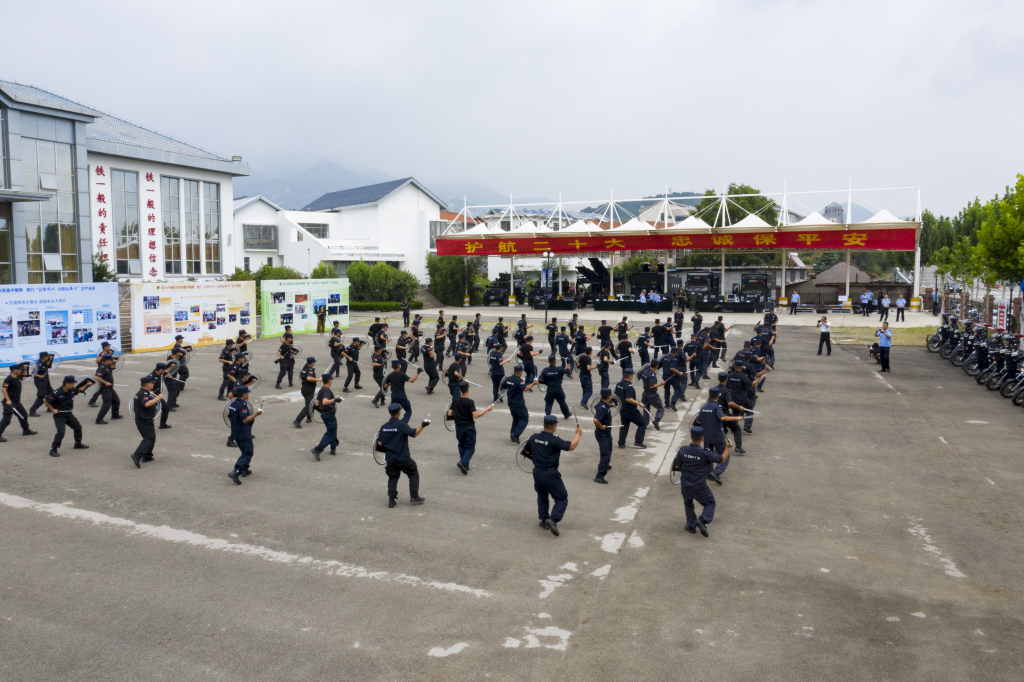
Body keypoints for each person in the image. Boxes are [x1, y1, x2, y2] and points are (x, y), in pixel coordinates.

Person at [522, 415, 583, 536]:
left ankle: (544, 520)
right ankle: (553, 519)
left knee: (542, 496)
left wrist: (538, 460)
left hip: (537, 472)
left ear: (543, 425)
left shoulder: (534, 437)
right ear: (554, 427)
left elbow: (525, 452)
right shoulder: (554, 439)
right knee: (561, 498)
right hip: (551, 473)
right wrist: (578, 434)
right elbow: (571, 446)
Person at [671, 426, 731, 537]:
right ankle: (702, 520)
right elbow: (722, 459)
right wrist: (727, 447)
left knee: (688, 504)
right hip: (699, 486)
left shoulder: (682, 450)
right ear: (702, 438)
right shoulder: (705, 454)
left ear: (690, 436)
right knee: (710, 503)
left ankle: (691, 526)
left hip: (685, 485)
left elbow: (677, 465)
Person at [377, 403, 429, 507]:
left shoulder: (384, 427)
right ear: (399, 413)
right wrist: (423, 425)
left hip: (390, 459)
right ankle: (414, 497)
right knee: (413, 472)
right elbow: (414, 433)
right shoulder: (402, 425)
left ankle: (391, 500)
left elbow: (379, 443)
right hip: (403, 458)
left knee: (393, 477)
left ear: (389, 413)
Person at [696, 387, 744, 484]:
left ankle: (709, 472)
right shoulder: (717, 407)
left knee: (708, 454)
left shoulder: (703, 407)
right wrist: (736, 418)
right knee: (725, 455)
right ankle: (716, 472)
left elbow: (697, 420)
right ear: (718, 396)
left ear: (709, 396)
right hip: (717, 436)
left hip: (706, 436)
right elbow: (722, 417)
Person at [448, 381, 493, 475]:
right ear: (468, 389)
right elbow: (476, 415)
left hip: (459, 428)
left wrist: (457, 416)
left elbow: (449, 413)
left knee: (461, 445)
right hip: (469, 428)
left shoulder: (455, 400)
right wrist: (487, 410)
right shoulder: (470, 402)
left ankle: (465, 465)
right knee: (470, 448)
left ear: (460, 390)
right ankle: (463, 462)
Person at [43, 375, 90, 458]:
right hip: (59, 415)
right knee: (61, 432)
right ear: (67, 384)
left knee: (78, 427)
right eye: (72, 384)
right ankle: (53, 449)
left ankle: (78, 444)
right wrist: (53, 410)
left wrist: (87, 385)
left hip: (68, 414)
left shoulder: (71, 390)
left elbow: (78, 390)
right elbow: (45, 400)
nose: (73, 385)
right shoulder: (57, 392)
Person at [227, 384, 263, 484]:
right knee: (248, 452)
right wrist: (256, 414)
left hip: (235, 432)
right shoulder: (242, 405)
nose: (247, 395)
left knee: (245, 450)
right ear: (243, 394)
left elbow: (230, 416)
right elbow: (245, 420)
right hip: (243, 432)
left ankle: (245, 469)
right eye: (247, 393)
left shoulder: (233, 404)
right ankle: (237, 470)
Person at [130, 376, 162, 468]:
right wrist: (158, 398)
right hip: (144, 420)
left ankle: (147, 456)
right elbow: (147, 404)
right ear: (148, 384)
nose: (153, 384)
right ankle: (137, 455)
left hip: (142, 419)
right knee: (149, 439)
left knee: (150, 437)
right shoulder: (143, 394)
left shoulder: (142, 392)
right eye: (152, 383)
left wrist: (149, 394)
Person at [615, 368, 647, 449]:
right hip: (630, 409)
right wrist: (639, 403)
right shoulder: (629, 387)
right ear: (631, 376)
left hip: (622, 408)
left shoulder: (619, 384)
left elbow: (615, 396)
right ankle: (638, 441)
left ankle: (621, 443)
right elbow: (628, 399)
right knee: (642, 423)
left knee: (624, 425)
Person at [311, 374, 340, 460]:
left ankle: (333, 448)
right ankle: (317, 449)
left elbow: (316, 403)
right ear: (330, 380)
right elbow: (324, 401)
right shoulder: (327, 391)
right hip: (329, 414)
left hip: (324, 414)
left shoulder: (321, 390)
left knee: (333, 430)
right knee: (331, 433)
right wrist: (335, 400)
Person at [505, 364, 537, 443]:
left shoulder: (508, 379)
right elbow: (525, 388)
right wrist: (533, 384)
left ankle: (513, 436)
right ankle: (515, 434)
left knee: (516, 419)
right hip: (518, 403)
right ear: (520, 372)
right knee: (524, 419)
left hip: (510, 402)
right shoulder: (519, 381)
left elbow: (502, 387)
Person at [592, 388, 615, 483]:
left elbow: (599, 407)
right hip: (602, 433)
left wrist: (609, 406)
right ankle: (599, 476)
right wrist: (601, 426)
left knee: (609, 448)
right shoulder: (602, 407)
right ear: (609, 397)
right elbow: (595, 420)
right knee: (605, 453)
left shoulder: (603, 405)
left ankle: (606, 465)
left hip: (607, 433)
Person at [539, 354, 572, 419]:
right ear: (555, 361)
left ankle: (547, 416)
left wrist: (547, 382)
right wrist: (568, 362)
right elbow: (568, 371)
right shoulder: (559, 369)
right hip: (558, 389)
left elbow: (541, 379)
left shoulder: (545, 370)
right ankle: (566, 414)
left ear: (548, 362)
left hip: (550, 389)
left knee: (549, 404)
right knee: (562, 402)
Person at [293, 357, 320, 427]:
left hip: (304, 388)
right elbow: (309, 378)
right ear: (312, 363)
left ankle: (309, 417)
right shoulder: (310, 369)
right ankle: (297, 420)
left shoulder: (304, 368)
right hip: (309, 389)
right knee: (308, 406)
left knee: (310, 403)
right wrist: (318, 379)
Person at [94, 354, 122, 423]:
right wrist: (105, 382)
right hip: (105, 388)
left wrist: (114, 363)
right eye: (111, 360)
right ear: (106, 360)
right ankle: (99, 419)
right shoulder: (102, 368)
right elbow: (97, 377)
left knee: (116, 401)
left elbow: (112, 368)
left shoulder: (107, 366)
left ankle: (115, 415)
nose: (112, 361)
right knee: (107, 404)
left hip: (110, 388)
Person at [639, 360, 665, 431]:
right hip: (652, 395)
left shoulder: (645, 371)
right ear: (657, 366)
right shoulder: (652, 374)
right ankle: (656, 420)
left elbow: (639, 375)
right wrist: (660, 384)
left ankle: (644, 424)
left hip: (645, 394)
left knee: (646, 409)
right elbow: (651, 386)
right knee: (660, 408)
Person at [28, 352, 54, 417]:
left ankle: (49, 407)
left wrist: (50, 360)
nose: (48, 357)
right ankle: (32, 410)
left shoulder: (43, 363)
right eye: (47, 356)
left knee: (52, 394)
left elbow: (46, 366)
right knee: (41, 396)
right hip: (40, 382)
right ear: (44, 357)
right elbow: (33, 373)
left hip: (46, 382)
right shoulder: (38, 364)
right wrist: (39, 376)